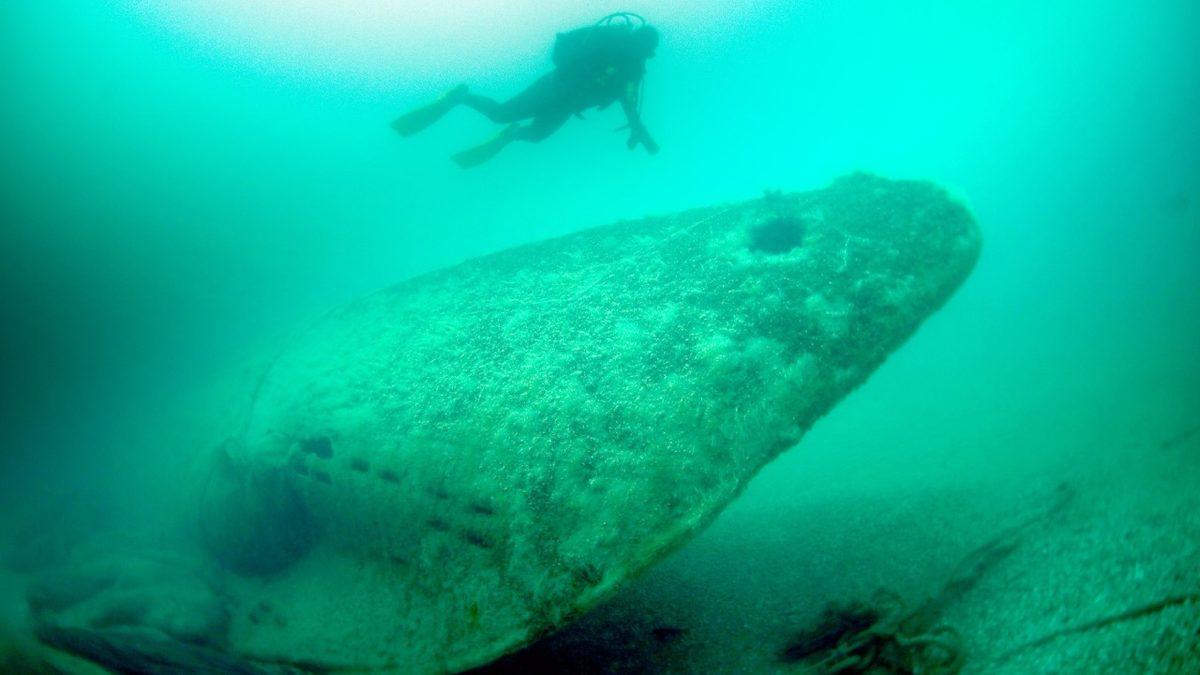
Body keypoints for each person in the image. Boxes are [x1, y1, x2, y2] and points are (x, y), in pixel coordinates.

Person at [392, 13, 660, 168]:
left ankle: (511, 134)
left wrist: (639, 129)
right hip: (553, 88)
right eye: (646, 49)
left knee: (536, 136)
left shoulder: (633, 69)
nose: (646, 55)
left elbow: (629, 100)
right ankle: (459, 97)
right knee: (499, 114)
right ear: (640, 42)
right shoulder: (611, 41)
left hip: (567, 105)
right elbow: (628, 100)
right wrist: (638, 129)